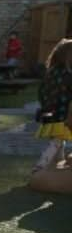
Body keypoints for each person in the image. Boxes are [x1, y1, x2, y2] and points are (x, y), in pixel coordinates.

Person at [33, 38, 72, 173]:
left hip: (49, 113)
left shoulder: (51, 72)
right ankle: (40, 166)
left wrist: (45, 106)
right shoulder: (67, 74)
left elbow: (41, 92)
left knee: (59, 142)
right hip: (62, 115)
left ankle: (57, 166)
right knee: (57, 142)